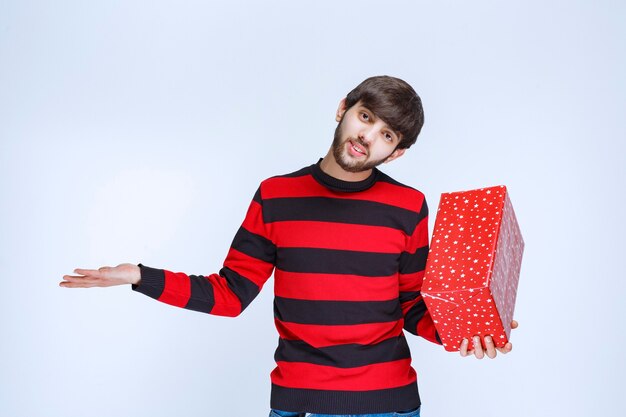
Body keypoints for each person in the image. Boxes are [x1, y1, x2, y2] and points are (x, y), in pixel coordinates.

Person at [60, 75, 517, 417]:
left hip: (389, 403)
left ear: (395, 153)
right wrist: (142, 276)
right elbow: (230, 295)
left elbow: (411, 306)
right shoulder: (275, 196)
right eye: (366, 117)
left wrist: (467, 328)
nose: (367, 138)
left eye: (387, 136)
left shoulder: (408, 206)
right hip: (298, 403)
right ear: (343, 109)